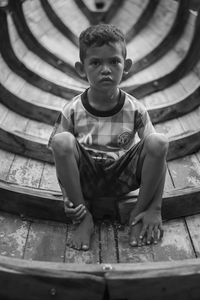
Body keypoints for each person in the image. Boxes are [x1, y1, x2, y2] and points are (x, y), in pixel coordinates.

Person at [50, 24, 169, 251]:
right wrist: (68, 199)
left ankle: (138, 213)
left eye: (114, 61)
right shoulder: (72, 109)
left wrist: (156, 207)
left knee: (159, 141)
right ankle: (84, 218)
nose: (106, 69)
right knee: (61, 140)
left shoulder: (135, 109)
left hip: (123, 177)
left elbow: (158, 157)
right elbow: (60, 157)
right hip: (85, 181)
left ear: (126, 67)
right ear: (81, 69)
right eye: (95, 63)